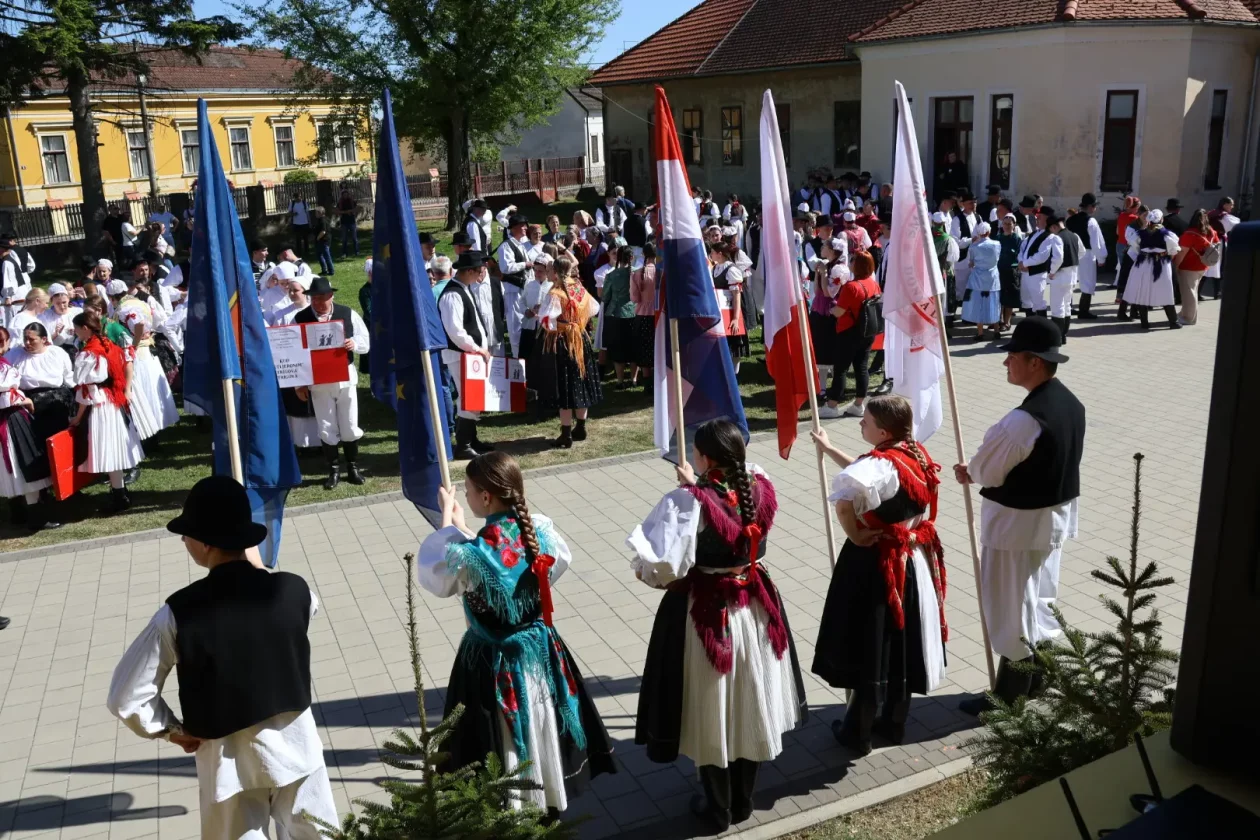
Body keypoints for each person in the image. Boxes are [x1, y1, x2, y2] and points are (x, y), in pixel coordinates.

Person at [107, 475, 338, 840]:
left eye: (187, 534)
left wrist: (170, 730)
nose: (183, 541)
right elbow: (292, 614)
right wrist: (258, 573)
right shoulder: (296, 591)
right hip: (297, 744)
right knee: (317, 834)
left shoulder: (178, 614)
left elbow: (125, 695)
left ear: (205, 542)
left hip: (227, 759)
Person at [628, 419, 806, 833]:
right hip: (756, 608)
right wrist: (698, 485)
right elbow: (729, 502)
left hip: (710, 615)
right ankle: (743, 799)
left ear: (705, 458)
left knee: (713, 706)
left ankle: (718, 807)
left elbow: (662, 568)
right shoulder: (759, 482)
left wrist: (645, 570)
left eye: (695, 451)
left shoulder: (687, 503)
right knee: (749, 699)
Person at [417, 452, 615, 813]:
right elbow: (503, 554)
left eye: (468, 490)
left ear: (486, 497)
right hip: (540, 654)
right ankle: (548, 800)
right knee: (540, 720)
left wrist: (446, 521)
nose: (466, 495)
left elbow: (439, 573)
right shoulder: (541, 536)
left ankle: (515, 808)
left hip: (492, 666)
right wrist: (462, 528)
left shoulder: (468, 556)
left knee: (504, 736)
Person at [955, 317, 1084, 716]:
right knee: (1040, 596)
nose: (1005, 363)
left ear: (1034, 362)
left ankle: (1011, 694)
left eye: (1012, 356)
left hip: (1017, 526)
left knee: (1011, 604)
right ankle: (1040, 677)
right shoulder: (1071, 403)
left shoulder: (1023, 420)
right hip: (1052, 518)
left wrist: (971, 471)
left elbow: (989, 469)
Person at [810, 397, 947, 754]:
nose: (860, 424)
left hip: (877, 564)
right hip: (911, 560)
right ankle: (894, 723)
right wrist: (829, 449)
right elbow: (868, 476)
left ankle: (857, 733)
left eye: (866, 421)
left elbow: (847, 500)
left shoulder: (881, 464)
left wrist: (855, 534)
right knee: (901, 644)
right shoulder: (915, 454)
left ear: (883, 432)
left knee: (869, 644)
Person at [294, 277, 369, 488]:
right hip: (318, 380)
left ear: (331, 296)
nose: (318, 302)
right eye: (314, 298)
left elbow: (365, 341)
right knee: (326, 425)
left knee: (349, 424)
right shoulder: (300, 318)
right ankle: (333, 470)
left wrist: (353, 343)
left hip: (345, 377)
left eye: (322, 298)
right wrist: (299, 384)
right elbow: (294, 353)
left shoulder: (347, 313)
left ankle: (352, 467)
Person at [70, 310, 144, 513]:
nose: (75, 332)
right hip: (113, 401)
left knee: (109, 450)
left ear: (85, 328)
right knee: (115, 449)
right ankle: (120, 491)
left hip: (100, 404)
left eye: (76, 329)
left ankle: (119, 496)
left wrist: (78, 416)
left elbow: (87, 388)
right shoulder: (109, 345)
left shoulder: (89, 353)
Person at [533, 254, 601, 448]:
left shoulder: (555, 293)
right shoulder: (579, 288)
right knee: (580, 382)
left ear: (555, 272)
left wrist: (549, 323)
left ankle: (566, 433)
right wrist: (577, 322)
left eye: (549, 270)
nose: (548, 273)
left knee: (564, 387)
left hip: (562, 342)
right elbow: (594, 309)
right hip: (580, 339)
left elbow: (546, 320)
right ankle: (580, 427)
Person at [0, 326, 62, 531]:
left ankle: (17, 511)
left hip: (8, 420)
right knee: (23, 463)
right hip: (11, 420)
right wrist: (24, 400)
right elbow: (5, 395)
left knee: (9, 467)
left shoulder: (5, 364)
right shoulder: (3, 368)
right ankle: (35, 517)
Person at [439, 251, 496, 460]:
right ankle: (463, 445)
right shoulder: (452, 294)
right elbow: (455, 330)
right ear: (470, 271)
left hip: (469, 354)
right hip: (460, 355)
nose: (482, 274)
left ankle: (471, 440)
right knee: (468, 398)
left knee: (474, 397)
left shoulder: (464, 289)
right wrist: (476, 348)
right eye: (480, 271)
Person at [821, 251, 881, 419]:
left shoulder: (851, 287)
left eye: (853, 260)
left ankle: (832, 406)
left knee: (841, 369)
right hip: (867, 331)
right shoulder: (873, 284)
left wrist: (831, 309)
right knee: (861, 367)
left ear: (858, 265)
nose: (850, 263)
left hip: (848, 332)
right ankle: (859, 404)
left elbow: (839, 312)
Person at [118, 299, 179, 442]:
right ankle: (153, 428)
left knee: (146, 390)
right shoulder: (140, 305)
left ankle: (151, 429)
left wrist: (134, 343)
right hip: (145, 353)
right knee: (151, 391)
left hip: (140, 355)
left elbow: (139, 325)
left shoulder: (128, 309)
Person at [1122, 208, 1181, 331]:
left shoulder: (1139, 233)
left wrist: (1146, 253)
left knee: (1143, 291)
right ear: (1161, 219)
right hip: (1162, 264)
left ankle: (1144, 323)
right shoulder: (1167, 234)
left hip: (1143, 264)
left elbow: (1134, 248)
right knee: (1165, 291)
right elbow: (1174, 249)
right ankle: (1173, 322)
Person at [598, 245, 637, 387]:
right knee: (633, 348)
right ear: (631, 257)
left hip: (614, 314)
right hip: (633, 313)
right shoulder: (636, 274)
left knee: (617, 349)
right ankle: (633, 379)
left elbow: (605, 296)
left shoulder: (611, 275)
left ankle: (620, 381)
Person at [1064, 194, 1107, 320]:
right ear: (1090, 206)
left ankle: (1068, 308)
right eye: (1094, 206)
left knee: (1071, 281)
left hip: (1072, 253)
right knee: (1088, 282)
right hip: (1086, 254)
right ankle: (1083, 311)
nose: (1095, 208)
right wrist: (1101, 257)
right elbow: (1096, 242)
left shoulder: (1070, 220)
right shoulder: (1091, 221)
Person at [1173, 209, 1219, 326]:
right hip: (1203, 266)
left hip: (1188, 267)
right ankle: (1185, 313)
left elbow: (1182, 252)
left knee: (1188, 292)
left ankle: (1189, 318)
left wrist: (1175, 266)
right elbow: (1216, 244)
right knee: (1193, 290)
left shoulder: (1190, 234)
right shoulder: (1211, 232)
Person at [709, 242, 749, 373]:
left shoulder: (731, 270)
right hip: (721, 311)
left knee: (734, 344)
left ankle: (734, 374)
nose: (711, 254)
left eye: (712, 252)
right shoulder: (715, 268)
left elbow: (736, 295)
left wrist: (735, 318)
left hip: (732, 310)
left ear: (719, 254)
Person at [496, 213, 532, 358]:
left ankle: (524, 358)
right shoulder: (506, 246)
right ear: (514, 227)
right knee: (515, 327)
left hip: (523, 289)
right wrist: (525, 264)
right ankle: (517, 358)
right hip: (512, 291)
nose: (525, 228)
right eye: (522, 225)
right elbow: (505, 267)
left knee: (523, 324)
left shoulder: (520, 245)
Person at [963, 222, 1003, 339]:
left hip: (977, 278)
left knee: (978, 304)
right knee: (994, 303)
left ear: (979, 233)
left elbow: (971, 263)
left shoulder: (974, 246)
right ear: (989, 232)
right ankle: (996, 330)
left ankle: (980, 332)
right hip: (992, 277)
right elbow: (997, 258)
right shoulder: (997, 244)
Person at [1017, 210, 1059, 317]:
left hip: (1037, 274)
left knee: (1038, 301)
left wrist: (1025, 263)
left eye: (1040, 217)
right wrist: (1021, 261)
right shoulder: (1034, 233)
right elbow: (1022, 248)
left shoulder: (1049, 236)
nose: (1037, 218)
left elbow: (1042, 256)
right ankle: (1030, 323)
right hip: (1025, 272)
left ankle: (1041, 325)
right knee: (1026, 300)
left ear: (1047, 219)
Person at [1046, 215, 1080, 342]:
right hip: (1072, 275)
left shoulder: (1057, 238)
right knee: (1066, 305)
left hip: (1059, 275)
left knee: (1057, 307)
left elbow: (1058, 258)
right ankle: (1064, 335)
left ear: (1054, 227)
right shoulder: (1074, 236)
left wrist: (1052, 271)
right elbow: (1081, 252)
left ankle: (1057, 337)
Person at [629, 242, 658, 383]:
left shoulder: (637, 273)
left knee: (644, 349)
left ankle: (647, 383)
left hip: (642, 314)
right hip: (659, 314)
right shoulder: (662, 272)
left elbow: (634, 298)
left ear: (643, 254)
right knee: (659, 348)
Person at [1116, 205, 1148, 321]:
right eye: (1144, 215)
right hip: (1131, 257)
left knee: (1139, 285)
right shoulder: (1132, 226)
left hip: (1142, 258)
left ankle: (1134, 311)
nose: (1146, 217)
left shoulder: (1149, 225)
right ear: (1138, 214)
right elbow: (1134, 242)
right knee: (1127, 285)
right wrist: (1144, 231)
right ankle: (1122, 312)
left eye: (1148, 215)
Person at [950, 190, 981, 312]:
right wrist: (970, 240)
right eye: (970, 203)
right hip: (963, 259)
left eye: (974, 202)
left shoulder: (978, 217)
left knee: (974, 288)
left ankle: (969, 313)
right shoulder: (957, 219)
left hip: (976, 259)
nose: (973, 205)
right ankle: (955, 313)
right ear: (963, 204)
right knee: (960, 288)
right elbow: (956, 241)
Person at [995, 214, 1024, 332]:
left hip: (1011, 271)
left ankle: (1007, 322)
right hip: (998, 270)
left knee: (1009, 298)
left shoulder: (1017, 239)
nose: (1007, 226)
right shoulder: (998, 238)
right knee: (999, 297)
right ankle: (998, 320)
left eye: (1009, 224)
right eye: (1005, 224)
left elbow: (1019, 254)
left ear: (1014, 225)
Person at [1, 235, 34, 328]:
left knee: (17, 318)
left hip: (16, 294)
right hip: (20, 289)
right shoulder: (10, 258)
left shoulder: (7, 262)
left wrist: (8, 297)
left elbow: (9, 281)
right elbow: (32, 266)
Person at [38, 285, 78, 353]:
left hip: (75, 350)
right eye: (58, 303)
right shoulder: (45, 316)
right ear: (52, 302)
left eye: (64, 302)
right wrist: (55, 334)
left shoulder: (77, 312)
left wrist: (77, 332)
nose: (62, 306)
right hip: (54, 351)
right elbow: (41, 341)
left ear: (68, 299)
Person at [310, 207, 335, 275]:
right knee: (319, 255)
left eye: (316, 213)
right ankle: (324, 270)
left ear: (320, 213)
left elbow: (323, 231)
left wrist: (318, 238)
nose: (315, 214)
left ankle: (331, 270)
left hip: (324, 240)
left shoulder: (323, 220)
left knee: (326, 256)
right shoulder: (321, 219)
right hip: (322, 240)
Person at [336, 187, 359, 256]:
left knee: (354, 238)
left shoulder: (351, 201)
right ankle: (344, 253)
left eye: (346, 194)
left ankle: (356, 251)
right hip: (344, 222)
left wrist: (351, 211)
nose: (345, 195)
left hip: (352, 221)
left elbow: (356, 209)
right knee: (344, 239)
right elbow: (338, 211)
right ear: (342, 195)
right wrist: (346, 212)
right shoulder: (340, 202)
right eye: (344, 194)